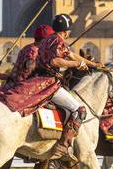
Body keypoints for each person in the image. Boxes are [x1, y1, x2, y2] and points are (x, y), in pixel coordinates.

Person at [36, 14, 102, 163]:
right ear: (66, 31)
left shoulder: (47, 40)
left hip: (37, 81)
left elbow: (72, 55)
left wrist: (93, 65)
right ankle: (63, 146)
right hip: (49, 84)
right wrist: (77, 65)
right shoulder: (59, 41)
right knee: (80, 110)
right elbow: (56, 61)